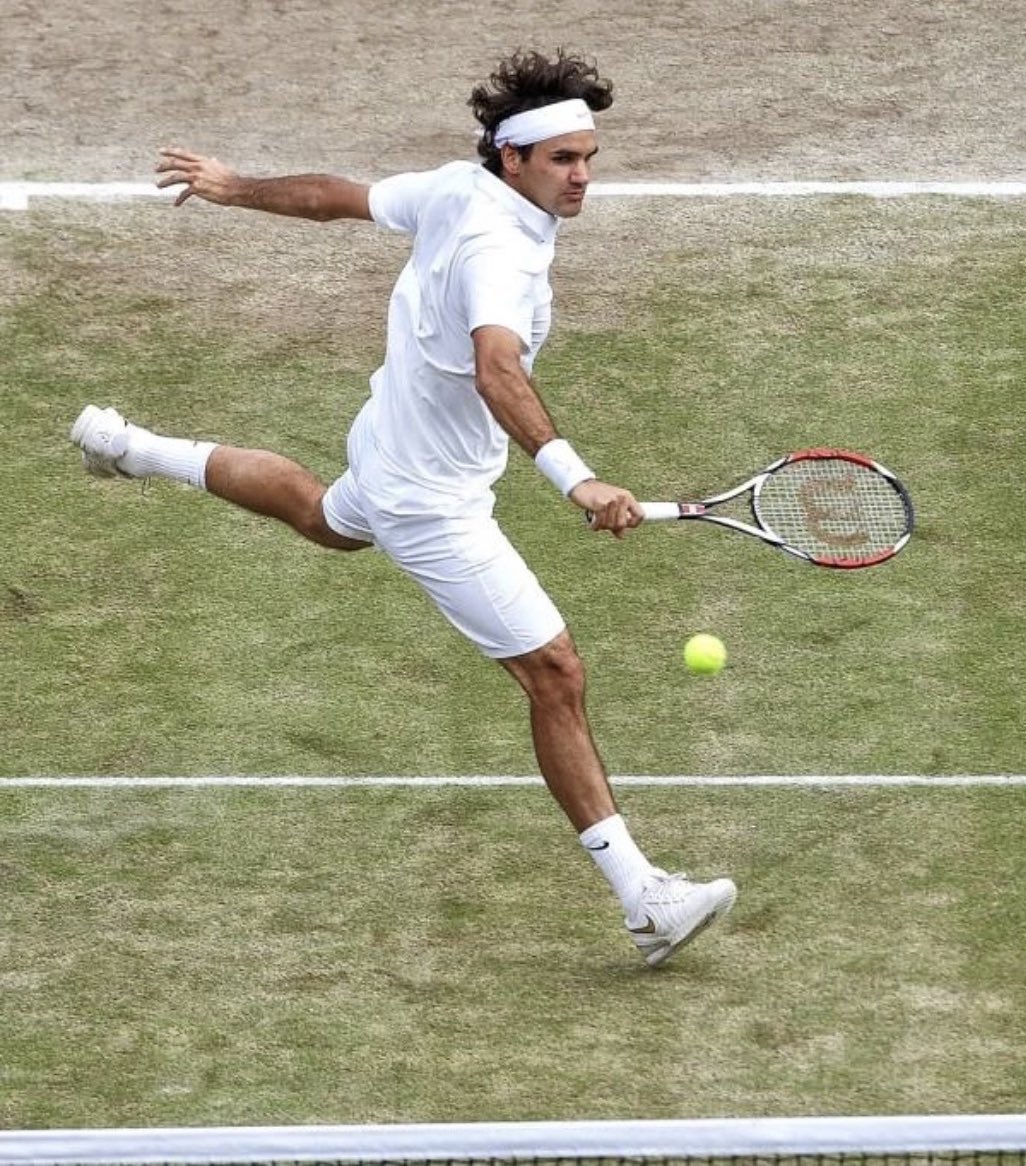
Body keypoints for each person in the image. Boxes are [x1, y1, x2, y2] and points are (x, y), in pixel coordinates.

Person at [70, 48, 736, 967]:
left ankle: (129, 447)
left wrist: (235, 187)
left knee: (326, 518)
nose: (582, 176)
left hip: (388, 444)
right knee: (554, 674)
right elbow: (497, 369)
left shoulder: (456, 188)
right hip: (431, 502)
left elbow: (333, 198)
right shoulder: (500, 251)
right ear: (513, 158)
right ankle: (644, 897)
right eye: (562, 161)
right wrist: (576, 478)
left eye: (588, 158)